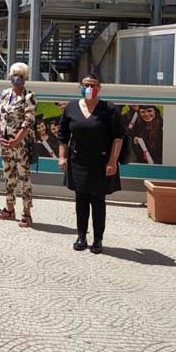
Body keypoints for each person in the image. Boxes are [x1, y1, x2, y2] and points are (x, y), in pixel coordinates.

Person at [58, 73, 124, 254]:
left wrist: (112, 162)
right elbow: (63, 135)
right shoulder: (71, 108)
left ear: (99, 88)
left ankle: (98, 239)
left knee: (98, 201)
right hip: (77, 162)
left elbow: (118, 137)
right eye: (86, 85)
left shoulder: (109, 109)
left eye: (93, 85)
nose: (89, 88)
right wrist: (62, 157)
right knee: (81, 201)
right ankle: (81, 236)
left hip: (101, 163)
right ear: (80, 87)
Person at [0, 62, 37, 228]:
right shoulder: (4, 94)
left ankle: (27, 214)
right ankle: (10, 210)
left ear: (25, 78)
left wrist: (16, 140)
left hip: (21, 145)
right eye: (14, 75)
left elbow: (28, 122)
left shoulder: (29, 97)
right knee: (8, 176)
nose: (16, 78)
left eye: (20, 76)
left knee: (24, 178)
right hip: (5, 144)